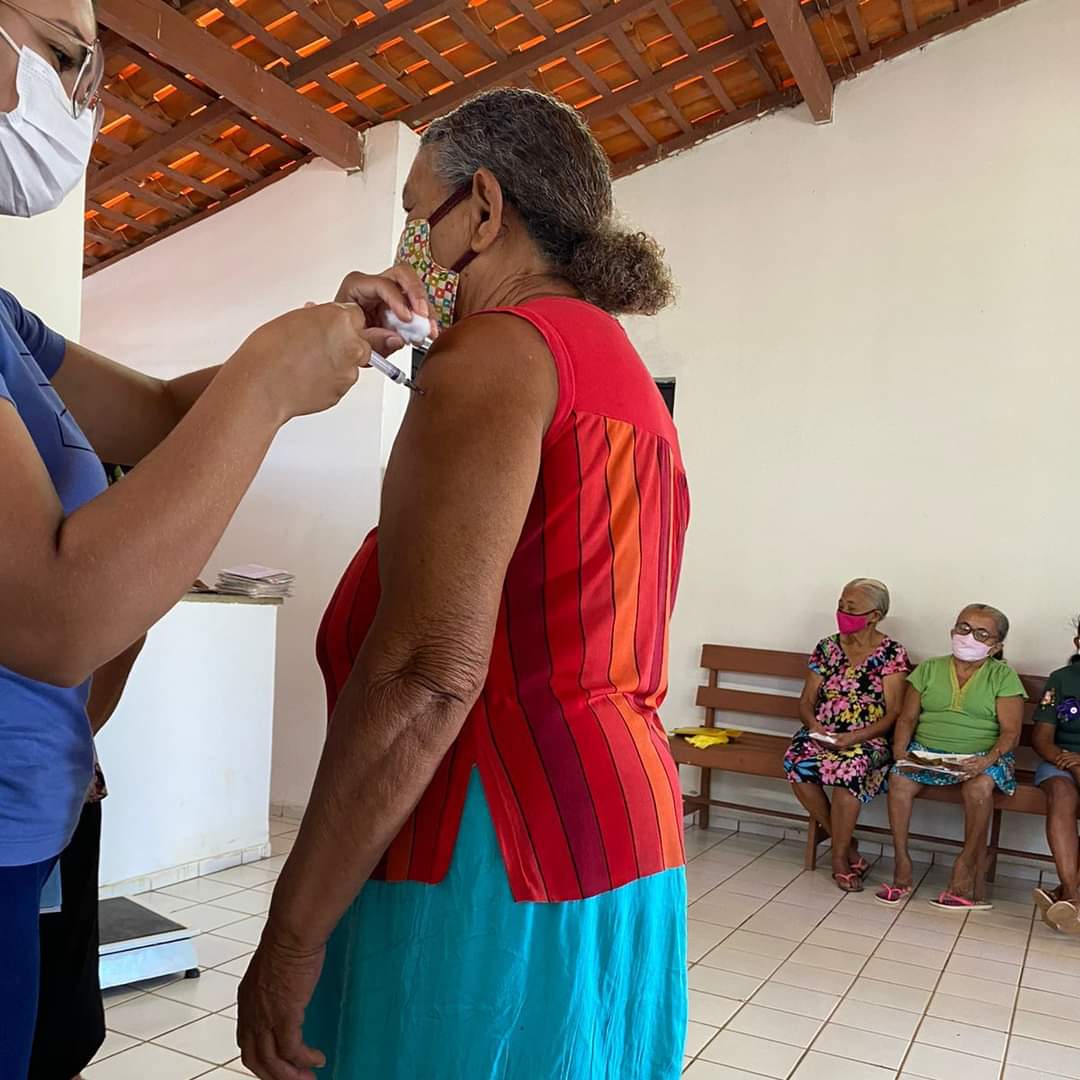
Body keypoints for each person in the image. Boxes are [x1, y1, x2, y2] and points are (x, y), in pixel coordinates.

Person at [0, 2, 432, 1072]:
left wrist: (322, 338)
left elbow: (155, 415)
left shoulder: (6, 322)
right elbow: (53, 618)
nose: (83, 103)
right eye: (66, 56)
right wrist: (269, 385)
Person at [238, 87, 689, 1080]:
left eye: (416, 213)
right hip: (617, 836)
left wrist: (291, 937)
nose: (406, 246)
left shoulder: (496, 356)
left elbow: (427, 676)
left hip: (494, 842)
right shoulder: (613, 368)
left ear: (483, 209)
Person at [877, 605, 1026, 910]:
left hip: (983, 756)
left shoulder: (1003, 676)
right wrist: (901, 752)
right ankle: (902, 864)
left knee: (978, 788)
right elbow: (907, 718)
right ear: (952, 630)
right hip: (927, 752)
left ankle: (965, 866)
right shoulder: (929, 669)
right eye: (964, 628)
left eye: (982, 634)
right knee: (899, 780)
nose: (969, 637)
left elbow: (1011, 733)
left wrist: (986, 761)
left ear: (996, 646)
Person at [784, 578, 910, 892]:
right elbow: (806, 700)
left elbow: (894, 712)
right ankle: (846, 843)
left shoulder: (891, 653)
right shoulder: (827, 648)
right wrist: (813, 726)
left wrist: (855, 737)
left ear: (875, 616)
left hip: (869, 739)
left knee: (848, 771)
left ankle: (839, 857)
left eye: (851, 608)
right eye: (840, 605)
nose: (842, 613)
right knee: (796, 761)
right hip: (824, 733)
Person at [1031, 615, 1080, 932]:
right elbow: (1042, 739)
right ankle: (1073, 895)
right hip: (1060, 762)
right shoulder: (1061, 679)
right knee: (1062, 794)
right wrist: (1072, 763)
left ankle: (1063, 896)